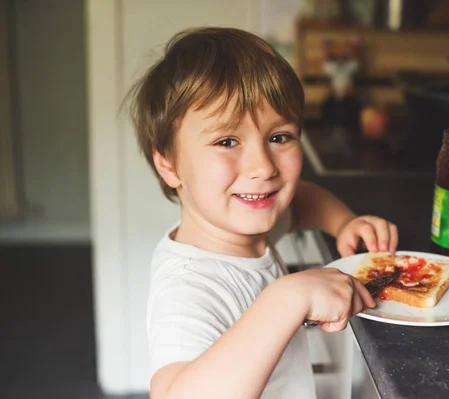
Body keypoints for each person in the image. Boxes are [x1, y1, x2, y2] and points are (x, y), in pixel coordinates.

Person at [127, 27, 398, 399]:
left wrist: (344, 222)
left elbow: (301, 200)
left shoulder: (241, 228)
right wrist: (286, 299)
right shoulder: (191, 286)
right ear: (169, 164)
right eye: (226, 141)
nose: (263, 167)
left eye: (279, 137)